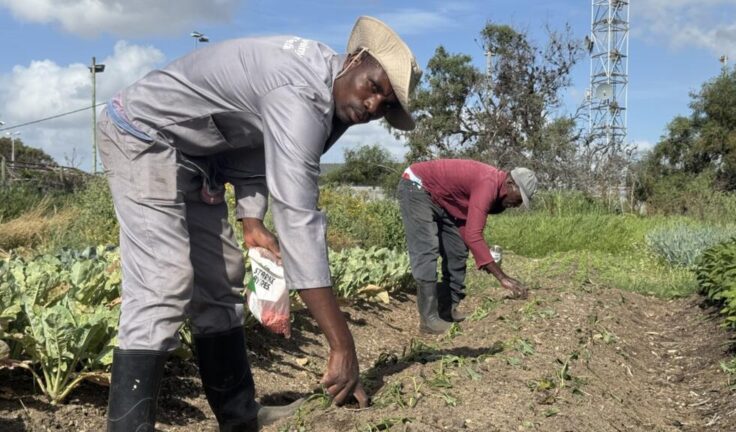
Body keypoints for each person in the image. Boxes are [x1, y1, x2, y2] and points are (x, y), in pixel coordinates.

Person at [97, 16, 421, 431]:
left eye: (387, 105)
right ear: (355, 59)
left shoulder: (329, 98)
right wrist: (343, 345)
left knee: (222, 280)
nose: (374, 106)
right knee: (163, 281)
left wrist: (251, 219)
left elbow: (255, 150)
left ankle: (239, 417)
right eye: (374, 87)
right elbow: (298, 217)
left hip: (201, 156)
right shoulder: (299, 91)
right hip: (143, 134)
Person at [396, 159, 537, 334]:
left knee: (457, 248)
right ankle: (429, 320)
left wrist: (485, 260)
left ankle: (447, 310)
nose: (518, 204)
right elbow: (474, 236)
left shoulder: (495, 188)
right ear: (510, 183)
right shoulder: (488, 183)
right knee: (427, 249)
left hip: (442, 200)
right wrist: (502, 278)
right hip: (417, 186)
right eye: (519, 197)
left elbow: (468, 232)